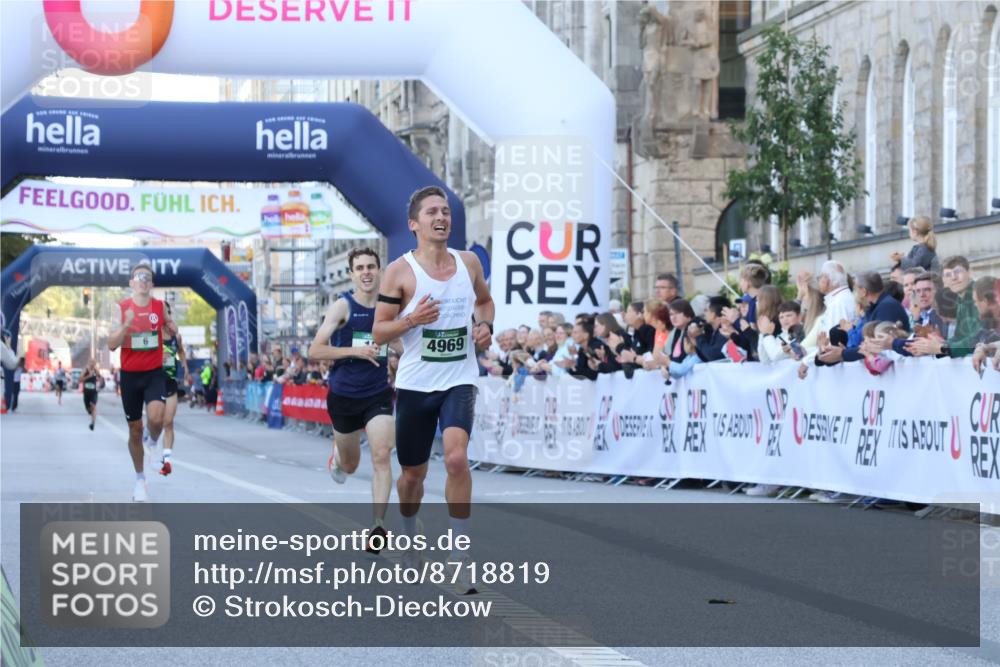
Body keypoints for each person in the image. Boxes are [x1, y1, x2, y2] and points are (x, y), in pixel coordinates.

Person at [373, 186, 493, 593]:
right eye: (431, 212)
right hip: (415, 383)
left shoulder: (469, 262)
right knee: (412, 476)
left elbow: (486, 302)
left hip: (459, 378)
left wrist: (485, 326)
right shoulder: (399, 271)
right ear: (414, 224)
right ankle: (408, 537)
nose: (441, 217)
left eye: (445, 211)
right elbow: (379, 330)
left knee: (457, 458)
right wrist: (412, 320)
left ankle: (460, 558)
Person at [309, 247, 397, 553]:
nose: (366, 272)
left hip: (378, 393)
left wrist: (399, 353)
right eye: (359, 268)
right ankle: (338, 456)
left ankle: (378, 526)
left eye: (371, 266)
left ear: (379, 269)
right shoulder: (342, 307)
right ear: (352, 274)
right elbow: (315, 350)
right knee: (350, 465)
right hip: (344, 395)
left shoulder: (390, 308)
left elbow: (399, 342)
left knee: (382, 455)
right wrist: (353, 351)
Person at [107, 260, 173, 503]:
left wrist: (171, 331)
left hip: (154, 372)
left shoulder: (159, 306)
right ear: (131, 283)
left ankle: (153, 441)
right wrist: (126, 323)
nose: (143, 281)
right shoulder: (121, 308)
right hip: (130, 375)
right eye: (139, 277)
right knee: (134, 430)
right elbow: (112, 344)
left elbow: (168, 324)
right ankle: (140, 480)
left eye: (147, 278)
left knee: (157, 418)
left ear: (152, 284)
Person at [159, 302, 189, 476]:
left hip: (170, 380)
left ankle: (167, 460)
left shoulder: (175, 336)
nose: (166, 316)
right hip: (154, 381)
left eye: (168, 312)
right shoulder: (152, 334)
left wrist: (184, 366)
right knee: (156, 421)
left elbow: (181, 351)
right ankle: (150, 435)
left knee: (168, 422)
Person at [80, 359, 101, 431]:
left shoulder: (96, 370)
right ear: (88, 363)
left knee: (93, 405)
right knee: (88, 409)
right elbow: (80, 380)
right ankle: (90, 412)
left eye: (94, 363)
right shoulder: (85, 370)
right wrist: (89, 376)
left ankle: (93, 423)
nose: (92, 364)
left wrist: (97, 374)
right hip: (86, 393)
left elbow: (100, 377)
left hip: (94, 392)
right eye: (91, 363)